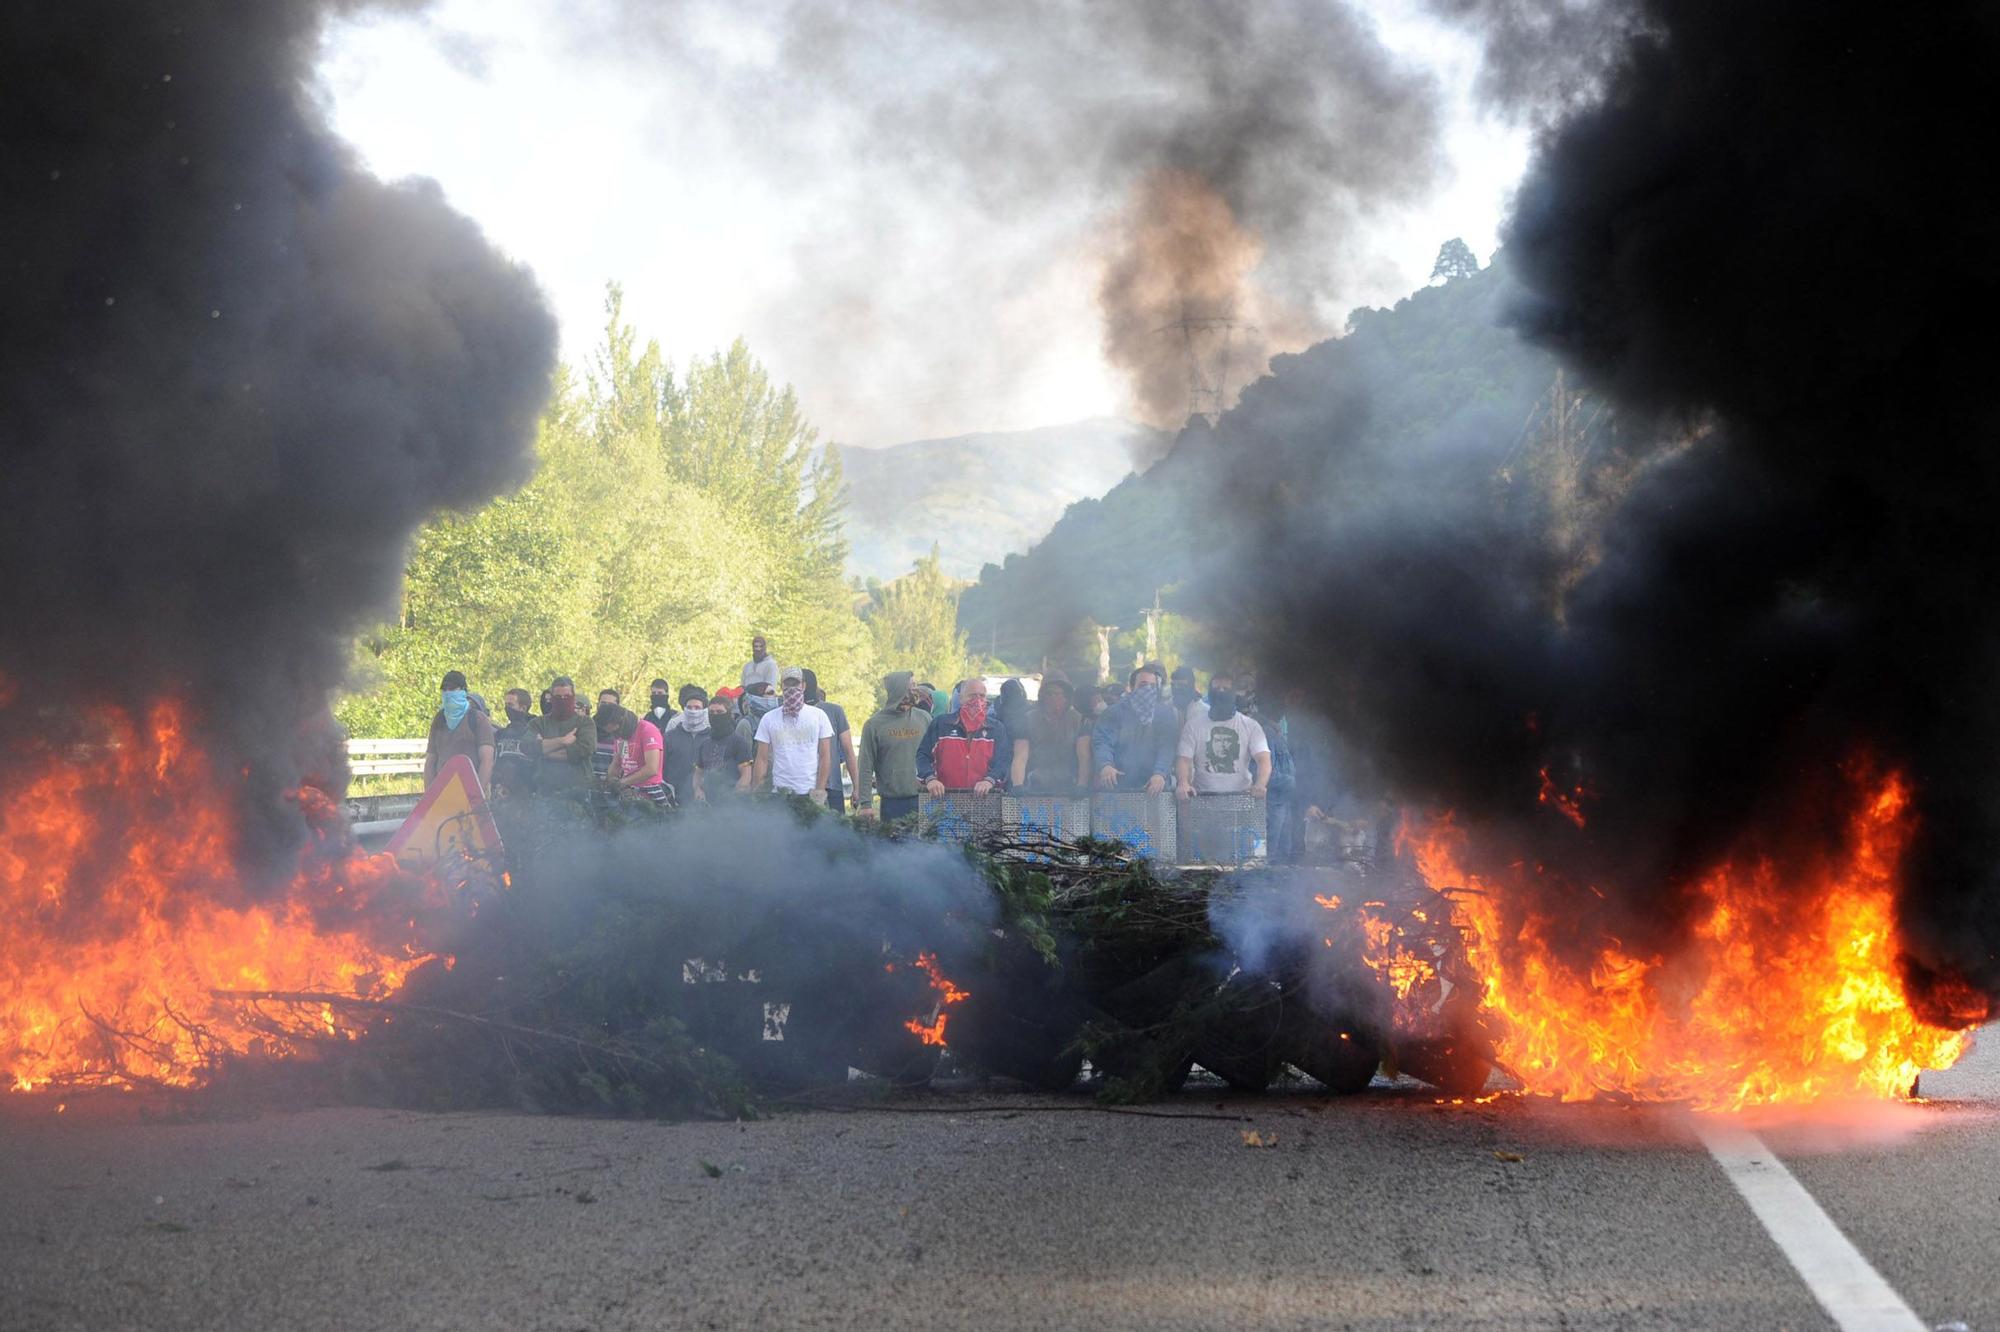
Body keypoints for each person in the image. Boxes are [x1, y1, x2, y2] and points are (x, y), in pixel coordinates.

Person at [1175, 678, 1272, 800]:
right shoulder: (1193, 725)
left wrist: (1260, 784)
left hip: (1241, 799)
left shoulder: (1251, 726)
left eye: (1226, 689)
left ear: (1233, 693)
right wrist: (1183, 783)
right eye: (1216, 688)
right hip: (1203, 799)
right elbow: (1183, 759)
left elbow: (1263, 759)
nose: (1221, 692)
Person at [855, 670, 932, 822]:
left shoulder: (924, 718)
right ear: (898, 689)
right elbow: (865, 766)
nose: (915, 690)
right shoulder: (874, 725)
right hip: (892, 804)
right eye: (911, 686)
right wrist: (865, 804)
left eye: (916, 685)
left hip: (924, 800)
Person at [1090, 663, 1175, 794]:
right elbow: (1102, 742)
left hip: (1154, 788)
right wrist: (1106, 765)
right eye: (1143, 685)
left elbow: (1167, 747)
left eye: (1153, 686)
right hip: (1119, 786)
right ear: (1131, 687)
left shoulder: (1165, 714)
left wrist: (1160, 773)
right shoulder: (1114, 712)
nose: (1148, 689)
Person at [752, 665, 834, 801]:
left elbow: (825, 756)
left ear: (803, 686)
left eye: (795, 683)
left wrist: (820, 789)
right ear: (781, 686)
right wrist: (758, 791)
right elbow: (761, 758)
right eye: (787, 683)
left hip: (809, 791)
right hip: (779, 793)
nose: (791, 688)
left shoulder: (819, 716)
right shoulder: (769, 718)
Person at [917, 676, 1010, 795]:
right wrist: (930, 778)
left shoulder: (996, 728)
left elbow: (1003, 761)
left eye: (982, 696)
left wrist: (989, 780)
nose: (977, 700)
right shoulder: (941, 724)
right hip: (943, 798)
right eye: (972, 695)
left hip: (984, 799)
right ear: (960, 698)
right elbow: (923, 755)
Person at [1011, 672, 1088, 792]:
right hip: (1035, 785)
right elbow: (1020, 756)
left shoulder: (1078, 720)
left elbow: (1084, 756)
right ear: (1042, 695)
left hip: (1069, 785)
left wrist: (1082, 785)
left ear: (1067, 696)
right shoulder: (1028, 719)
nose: (1054, 698)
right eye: (1049, 694)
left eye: (1058, 694)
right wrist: (1017, 785)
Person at [423, 670, 495, 792]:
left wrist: (477, 795)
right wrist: (429, 795)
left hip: (471, 789)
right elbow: (430, 761)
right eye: (444, 689)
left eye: (452, 689)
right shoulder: (440, 719)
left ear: (463, 690)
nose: (447, 693)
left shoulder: (477, 719)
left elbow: (487, 760)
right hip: (443, 792)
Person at [799, 668, 858, 815]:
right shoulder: (787, 714)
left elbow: (848, 751)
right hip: (799, 786)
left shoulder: (834, 711)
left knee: (833, 834)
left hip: (832, 786)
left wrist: (857, 788)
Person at [598, 703, 671, 809]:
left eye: (615, 731)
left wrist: (622, 783)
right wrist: (609, 781)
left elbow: (651, 769)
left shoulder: (648, 731)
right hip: (628, 789)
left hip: (650, 790)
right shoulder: (622, 737)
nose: (615, 735)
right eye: (612, 733)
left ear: (622, 721)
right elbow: (617, 764)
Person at [533, 676, 596, 789]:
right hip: (545, 789)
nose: (562, 700)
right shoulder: (539, 723)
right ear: (552, 698)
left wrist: (544, 750)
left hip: (577, 790)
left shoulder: (585, 723)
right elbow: (528, 746)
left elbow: (584, 750)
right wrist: (563, 741)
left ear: (573, 697)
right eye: (558, 697)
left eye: (566, 696)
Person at [695, 693, 754, 802]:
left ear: (729, 714)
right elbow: (698, 772)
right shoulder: (704, 744)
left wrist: (733, 797)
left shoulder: (739, 742)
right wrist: (698, 789)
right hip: (708, 805)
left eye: (719, 712)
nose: (715, 715)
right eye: (711, 712)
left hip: (732, 805)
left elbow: (746, 775)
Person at [659, 684, 711, 800]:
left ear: (704, 710)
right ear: (684, 709)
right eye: (689, 707)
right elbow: (659, 767)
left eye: (697, 708)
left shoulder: (712, 738)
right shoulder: (669, 737)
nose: (693, 711)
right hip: (674, 798)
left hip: (705, 800)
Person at [490, 687, 539, 796]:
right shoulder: (501, 734)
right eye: (506, 704)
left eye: (511, 705)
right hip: (501, 793)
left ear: (523, 708)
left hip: (527, 793)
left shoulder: (535, 733)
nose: (507, 708)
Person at [1169, 665, 1200, 730]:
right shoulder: (1167, 709)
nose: (1176, 688)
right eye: (1173, 685)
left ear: (1191, 686)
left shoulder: (1203, 712)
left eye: (1181, 685)